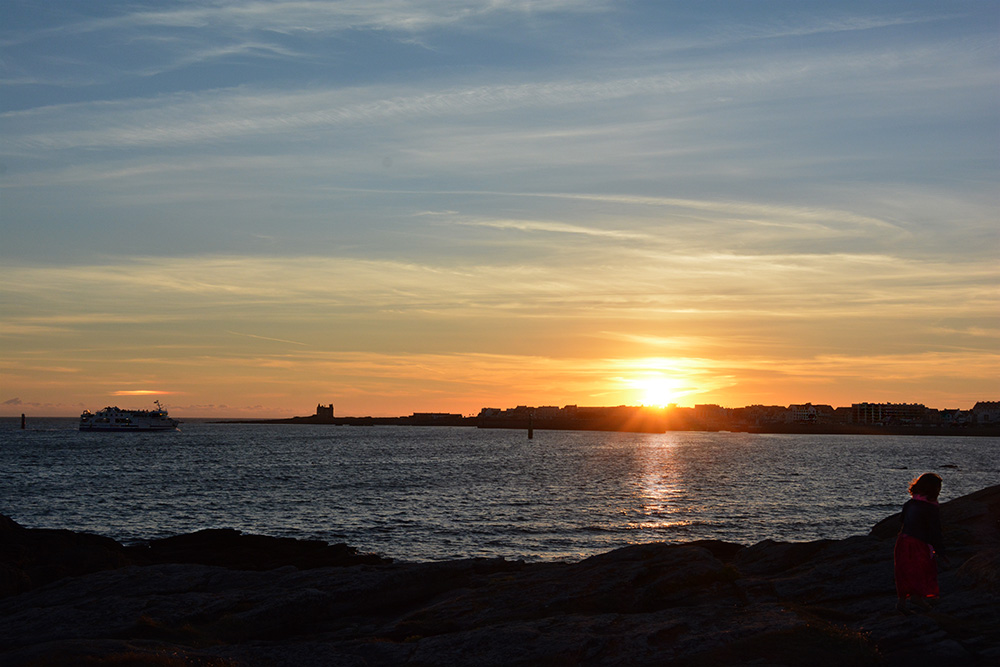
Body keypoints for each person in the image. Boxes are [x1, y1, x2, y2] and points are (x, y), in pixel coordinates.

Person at [894, 472, 945, 614]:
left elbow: (902, 521)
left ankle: (902, 601)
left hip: (903, 541)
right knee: (922, 571)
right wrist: (941, 551)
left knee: (904, 571)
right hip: (918, 543)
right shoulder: (931, 508)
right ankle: (917, 597)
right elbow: (935, 530)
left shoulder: (909, 503)